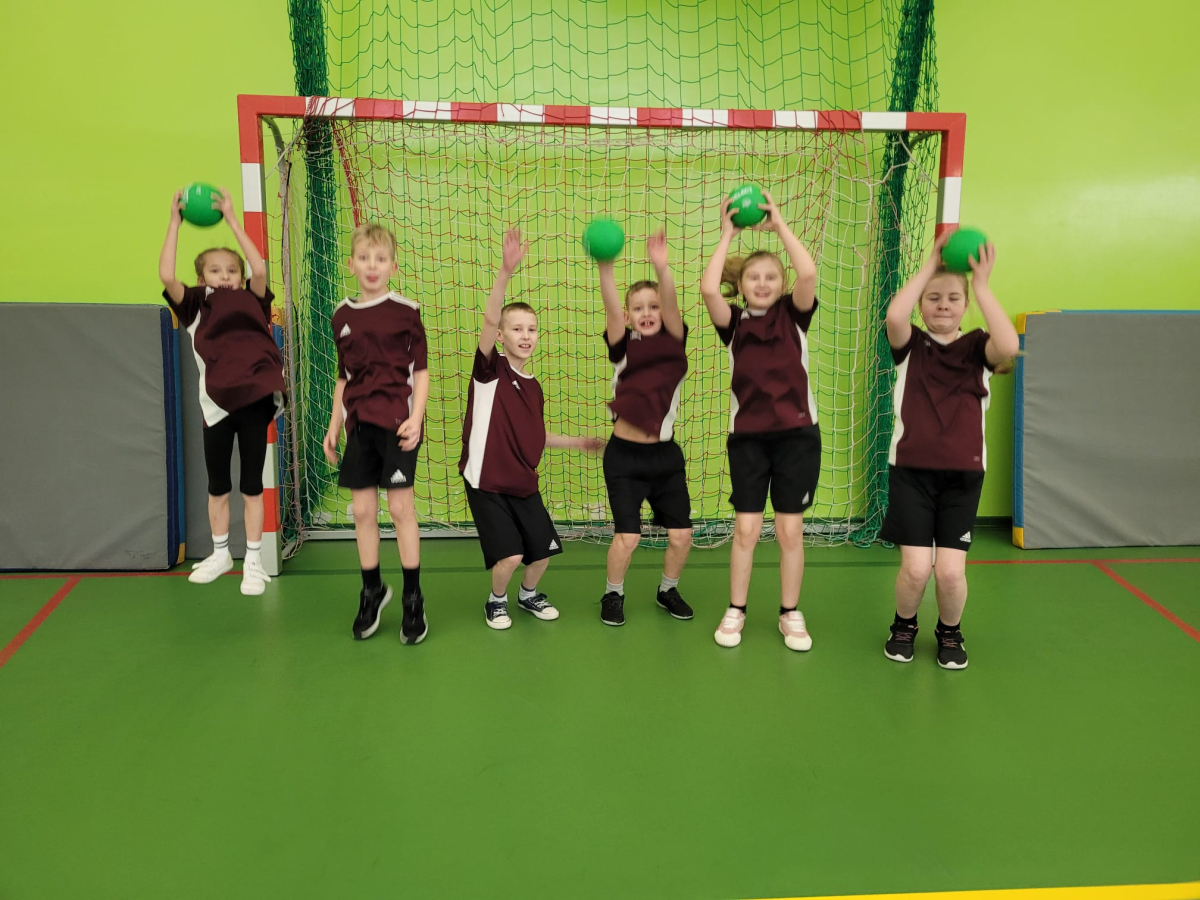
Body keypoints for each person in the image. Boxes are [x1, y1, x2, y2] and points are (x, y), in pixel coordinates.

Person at [880, 232, 1018, 669]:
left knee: (951, 572)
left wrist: (981, 285)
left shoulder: (978, 347)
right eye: (933, 298)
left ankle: (950, 631)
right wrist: (929, 266)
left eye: (953, 298)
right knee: (916, 569)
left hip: (962, 477)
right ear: (922, 304)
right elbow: (894, 315)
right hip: (911, 474)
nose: (942, 305)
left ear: (965, 304)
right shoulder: (911, 347)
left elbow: (1010, 347)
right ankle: (904, 624)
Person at [460, 227, 604, 630]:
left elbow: (536, 436)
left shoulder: (534, 387)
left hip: (523, 482)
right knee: (509, 556)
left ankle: (527, 595)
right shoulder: (490, 371)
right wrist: (505, 272)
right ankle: (496, 601)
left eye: (531, 329)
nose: (525, 335)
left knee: (542, 553)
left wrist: (579, 442)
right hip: (487, 482)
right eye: (517, 328)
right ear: (501, 336)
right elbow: (490, 317)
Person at [699, 191, 821, 651]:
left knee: (790, 531)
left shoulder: (795, 314)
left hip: (797, 438)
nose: (763, 283)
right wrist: (727, 234)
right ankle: (736, 609)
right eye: (754, 276)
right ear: (743, 284)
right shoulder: (733, 323)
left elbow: (808, 273)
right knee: (746, 530)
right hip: (749, 440)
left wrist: (779, 226)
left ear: (782, 283)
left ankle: (790, 612)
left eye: (771, 276)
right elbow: (708, 289)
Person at [159, 187, 283, 596]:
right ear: (202, 280)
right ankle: (220, 553)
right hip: (216, 406)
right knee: (218, 486)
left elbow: (259, 269)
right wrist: (175, 222)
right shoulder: (196, 305)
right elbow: (167, 276)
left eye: (231, 270)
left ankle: (253, 561)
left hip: (255, 400)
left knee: (252, 486)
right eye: (215, 271)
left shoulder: (253, 299)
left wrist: (232, 218)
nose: (225, 275)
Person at [321, 223, 429, 643]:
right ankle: (372, 591)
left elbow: (421, 372)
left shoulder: (407, 312)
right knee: (364, 513)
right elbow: (343, 377)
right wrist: (334, 425)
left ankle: (413, 598)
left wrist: (416, 418)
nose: (372, 265)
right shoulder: (341, 316)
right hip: (359, 429)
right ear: (351, 264)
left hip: (398, 426)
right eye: (364, 258)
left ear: (393, 267)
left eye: (380, 259)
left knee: (401, 510)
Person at [593, 230, 693, 627]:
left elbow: (671, 305)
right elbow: (610, 307)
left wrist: (662, 269)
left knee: (681, 536)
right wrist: (605, 268)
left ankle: (668, 589)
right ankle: (613, 594)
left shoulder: (675, 342)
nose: (647, 312)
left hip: (665, 457)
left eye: (653, 306)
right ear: (629, 316)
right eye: (638, 308)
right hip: (625, 459)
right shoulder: (623, 347)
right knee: (628, 537)